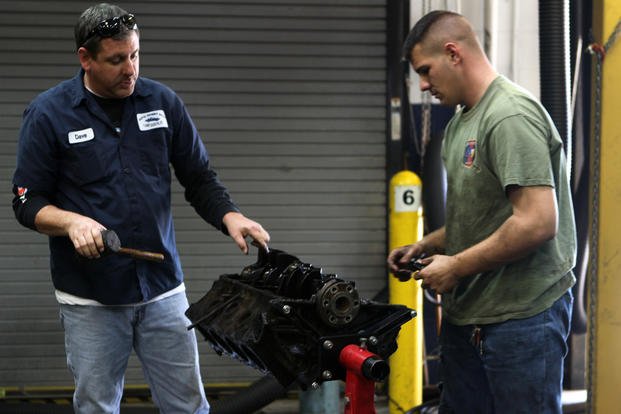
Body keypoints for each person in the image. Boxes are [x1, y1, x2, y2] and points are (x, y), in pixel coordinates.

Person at [12, 3, 270, 413]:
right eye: (116, 60)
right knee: (97, 406)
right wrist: (71, 222)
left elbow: (199, 178)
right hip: (90, 299)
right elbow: (27, 202)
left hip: (163, 289)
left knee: (188, 404)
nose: (129, 69)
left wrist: (229, 216)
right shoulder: (48, 114)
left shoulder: (163, 103)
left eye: (134, 55)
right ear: (85, 58)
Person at [388, 10, 576, 414]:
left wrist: (455, 266)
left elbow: (538, 221)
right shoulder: (461, 123)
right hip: (471, 316)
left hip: (522, 319)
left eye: (425, 70)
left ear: (453, 53)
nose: (423, 85)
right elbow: (481, 217)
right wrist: (424, 245)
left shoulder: (509, 115)